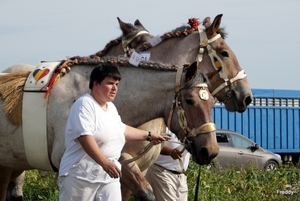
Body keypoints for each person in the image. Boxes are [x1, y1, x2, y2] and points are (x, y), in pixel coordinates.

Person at [58, 64, 165, 201]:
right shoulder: (84, 104)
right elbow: (85, 138)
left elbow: (121, 129)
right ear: (95, 84)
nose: (115, 88)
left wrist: (149, 135)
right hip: (81, 176)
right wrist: (105, 163)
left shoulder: (111, 108)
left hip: (108, 176)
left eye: (117, 84)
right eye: (110, 83)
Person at [146, 128, 191, 201]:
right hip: (161, 172)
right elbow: (152, 143)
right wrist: (171, 152)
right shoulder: (163, 123)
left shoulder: (187, 126)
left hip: (181, 176)